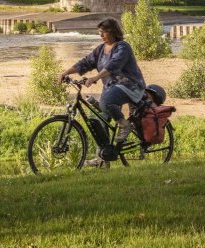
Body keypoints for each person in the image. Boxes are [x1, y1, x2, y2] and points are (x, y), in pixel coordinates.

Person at [59, 18, 146, 167]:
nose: (101, 35)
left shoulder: (122, 47)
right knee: (100, 120)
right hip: (112, 88)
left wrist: (95, 77)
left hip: (130, 86)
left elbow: (113, 65)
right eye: (99, 33)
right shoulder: (100, 49)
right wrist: (66, 72)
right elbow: (86, 62)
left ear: (112, 31)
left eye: (103, 32)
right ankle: (103, 159)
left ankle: (125, 125)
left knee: (106, 102)